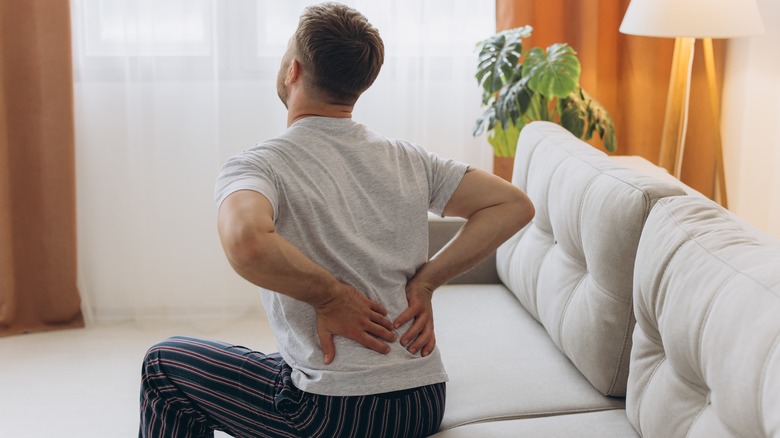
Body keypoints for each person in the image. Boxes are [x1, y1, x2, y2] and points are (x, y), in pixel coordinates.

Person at [139, 2, 534, 437]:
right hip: (422, 400)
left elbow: (246, 242)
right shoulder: (408, 158)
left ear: (293, 70)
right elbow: (513, 204)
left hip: (330, 414)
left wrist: (330, 297)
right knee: (273, 364)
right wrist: (426, 281)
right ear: (359, 85)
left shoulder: (259, 166)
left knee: (164, 365)